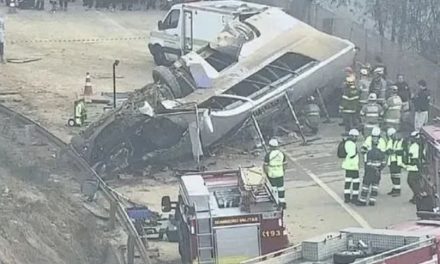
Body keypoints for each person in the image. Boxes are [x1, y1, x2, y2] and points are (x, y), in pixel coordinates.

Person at [358, 139, 386, 206]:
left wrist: (373, 169)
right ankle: (372, 201)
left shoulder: (370, 152)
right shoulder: (381, 153)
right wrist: (378, 169)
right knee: (375, 187)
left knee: (365, 187)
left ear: (372, 144)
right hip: (377, 174)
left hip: (370, 173)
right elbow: (384, 163)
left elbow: (368, 163)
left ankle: (363, 201)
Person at [264, 138, 287, 209]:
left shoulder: (268, 155)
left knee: (274, 188)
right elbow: (285, 165)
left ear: (270, 146)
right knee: (281, 188)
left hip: (272, 174)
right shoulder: (282, 154)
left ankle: (276, 203)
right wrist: (283, 171)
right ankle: (282, 202)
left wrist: (266, 173)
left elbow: (265, 166)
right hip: (280, 173)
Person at [341, 129, 360, 203]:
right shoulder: (351, 144)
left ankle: (347, 197)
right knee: (356, 182)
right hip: (352, 166)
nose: (356, 138)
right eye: (355, 136)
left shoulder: (347, 142)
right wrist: (356, 152)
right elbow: (352, 155)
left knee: (348, 181)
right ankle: (355, 198)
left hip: (348, 165)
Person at [385, 128, 404, 197]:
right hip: (391, 161)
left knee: (397, 176)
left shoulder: (400, 141)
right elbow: (387, 150)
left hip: (397, 161)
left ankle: (398, 190)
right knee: (392, 176)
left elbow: (402, 151)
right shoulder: (390, 141)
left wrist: (394, 151)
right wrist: (390, 151)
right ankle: (394, 188)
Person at [406, 131, 421, 204]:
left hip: (414, 167)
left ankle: (418, 196)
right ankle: (416, 196)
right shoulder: (416, 145)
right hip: (414, 167)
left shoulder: (415, 146)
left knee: (411, 181)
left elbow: (413, 157)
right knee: (415, 182)